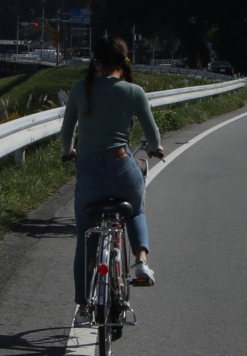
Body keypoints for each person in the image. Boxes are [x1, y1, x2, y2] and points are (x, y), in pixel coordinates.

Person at [61, 35, 164, 327]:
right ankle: (141, 261)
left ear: (96, 61)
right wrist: (153, 149)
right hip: (121, 166)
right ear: (124, 61)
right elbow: (153, 135)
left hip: (89, 174)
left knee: (84, 240)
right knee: (137, 208)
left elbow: (67, 133)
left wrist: (68, 153)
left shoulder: (81, 88)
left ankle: (82, 308)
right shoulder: (133, 91)